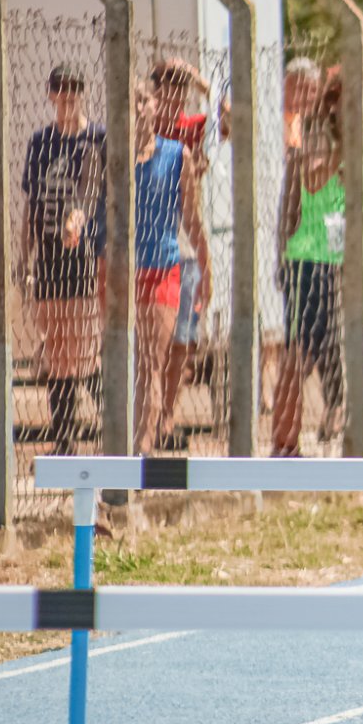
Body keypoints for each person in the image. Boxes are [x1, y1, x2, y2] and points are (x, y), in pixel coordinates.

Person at [19, 64, 106, 456]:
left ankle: (111, 424)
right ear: (51, 94)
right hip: (51, 253)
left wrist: (83, 218)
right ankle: (64, 435)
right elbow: (30, 206)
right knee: (56, 347)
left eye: (75, 89)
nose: (68, 96)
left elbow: (97, 193)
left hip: (87, 254)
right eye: (61, 90)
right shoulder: (40, 143)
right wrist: (25, 255)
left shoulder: (97, 139)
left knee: (85, 343)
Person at [133, 70, 210, 455]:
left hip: (162, 265)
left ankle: (142, 451)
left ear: (155, 105)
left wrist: (207, 270)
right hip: (121, 272)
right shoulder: (112, 155)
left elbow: (192, 221)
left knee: (152, 360)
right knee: (130, 362)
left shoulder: (176, 154)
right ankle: (131, 439)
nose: (136, 110)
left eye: (142, 101)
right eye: (129, 102)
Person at [273, 72, 346, 456]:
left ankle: (289, 437)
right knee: (297, 354)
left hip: (328, 260)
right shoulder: (320, 133)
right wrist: (345, 151)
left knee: (313, 351)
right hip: (305, 259)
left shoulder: (343, 140)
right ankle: (283, 439)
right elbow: (313, 180)